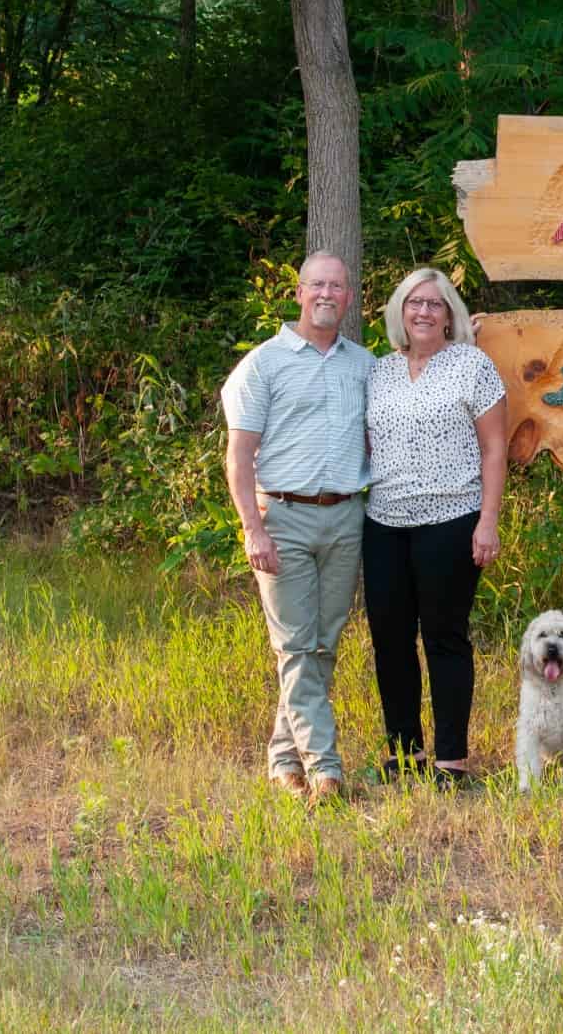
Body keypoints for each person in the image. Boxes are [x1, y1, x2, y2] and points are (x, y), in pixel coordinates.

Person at [221, 251, 373, 802]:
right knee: (293, 646)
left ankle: (283, 758)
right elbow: (238, 457)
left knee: (323, 645)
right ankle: (324, 768)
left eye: (337, 286)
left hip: (345, 517)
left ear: (349, 298)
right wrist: (252, 530)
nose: (327, 294)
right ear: (300, 293)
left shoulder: (365, 365)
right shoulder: (263, 365)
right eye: (317, 285)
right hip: (281, 517)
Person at [362, 267, 506, 788]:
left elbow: (494, 447)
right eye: (414, 303)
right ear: (400, 311)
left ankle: (451, 758)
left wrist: (487, 521)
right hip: (383, 523)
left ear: (450, 315)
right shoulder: (379, 372)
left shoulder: (472, 366)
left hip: (451, 520)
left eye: (435, 304)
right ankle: (405, 752)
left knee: (444, 637)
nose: (423, 312)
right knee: (390, 640)